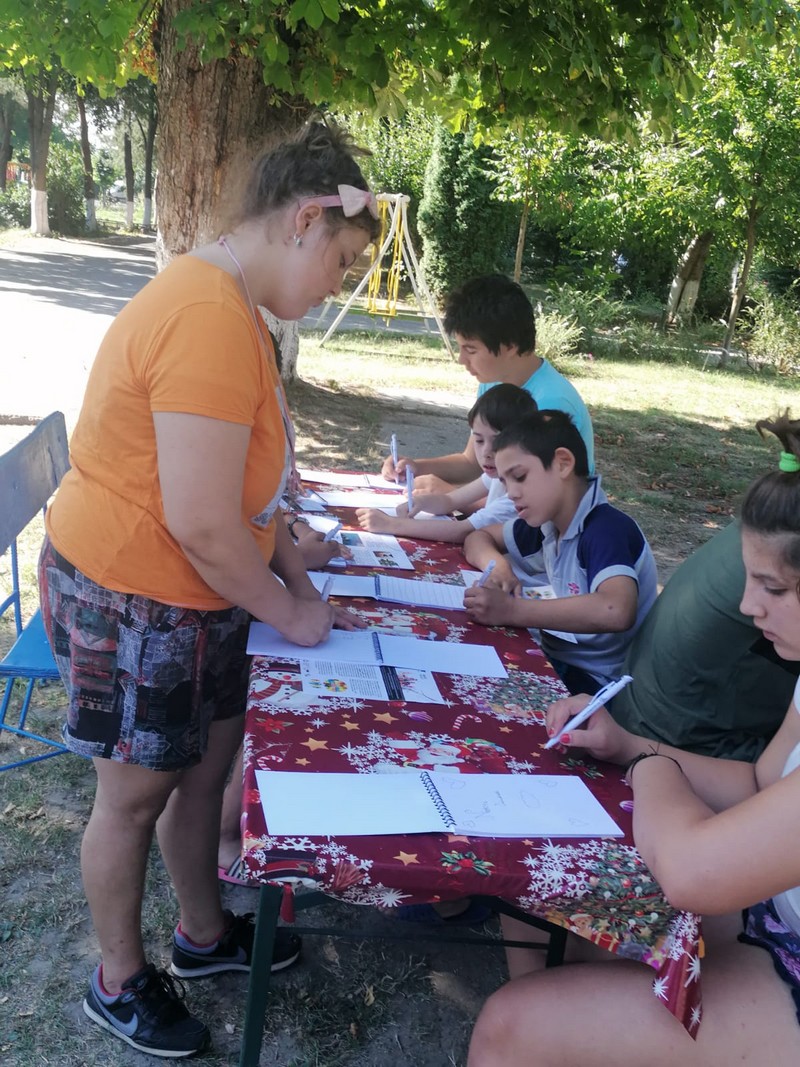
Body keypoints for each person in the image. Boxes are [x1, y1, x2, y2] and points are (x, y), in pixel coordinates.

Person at [37, 118, 381, 1059]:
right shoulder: (205, 315)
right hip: (133, 595)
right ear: (304, 220)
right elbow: (198, 521)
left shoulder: (236, 308)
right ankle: (118, 980)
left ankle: (201, 932)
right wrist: (292, 613)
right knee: (133, 800)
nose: (339, 283)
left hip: (198, 598)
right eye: (342, 260)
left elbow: (242, 499)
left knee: (203, 775)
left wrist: (288, 565)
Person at [467, 412, 800, 1067]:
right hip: (776, 913)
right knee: (574, 905)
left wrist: (650, 765)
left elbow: (692, 872)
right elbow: (762, 783)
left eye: (774, 587)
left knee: (511, 1027)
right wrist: (624, 742)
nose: (748, 607)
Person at [463, 410, 657, 696]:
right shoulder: (549, 522)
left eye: (519, 477)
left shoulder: (605, 528)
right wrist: (498, 565)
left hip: (597, 686)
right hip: (558, 661)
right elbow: (477, 538)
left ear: (563, 463)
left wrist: (511, 610)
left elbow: (616, 609)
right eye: (504, 483)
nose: (511, 492)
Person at [382, 274, 594, 494]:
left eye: (471, 350)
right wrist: (414, 468)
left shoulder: (551, 404)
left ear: (509, 346)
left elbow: (539, 500)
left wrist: (452, 495)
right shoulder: (494, 382)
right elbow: (472, 463)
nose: (461, 359)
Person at [612, 518, 799, 761]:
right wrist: (626, 748)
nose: (747, 606)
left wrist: (635, 754)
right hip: (669, 736)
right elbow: (761, 777)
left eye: (774, 588)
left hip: (683, 740)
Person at [356, 383, 538, 542]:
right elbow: (451, 500)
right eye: (479, 440)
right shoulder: (496, 477)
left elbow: (462, 531)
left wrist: (391, 524)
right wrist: (422, 502)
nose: (486, 452)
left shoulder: (518, 495)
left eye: (498, 442)